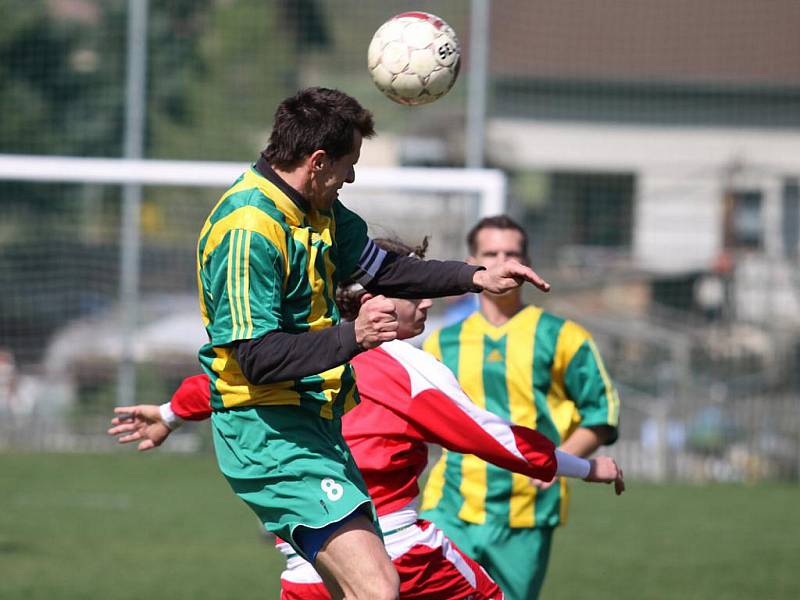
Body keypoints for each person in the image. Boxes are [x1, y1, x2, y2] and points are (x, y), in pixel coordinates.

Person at [111, 237, 624, 600]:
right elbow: (487, 437)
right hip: (403, 557)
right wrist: (582, 467)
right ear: (366, 298)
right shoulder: (402, 365)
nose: (426, 299)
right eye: (410, 290)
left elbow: (220, 385)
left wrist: (167, 414)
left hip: (308, 571)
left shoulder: (296, 350)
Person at [191, 88, 550, 600]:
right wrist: (353, 336)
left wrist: (477, 277)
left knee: (359, 592)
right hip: (267, 433)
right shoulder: (248, 228)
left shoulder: (318, 210)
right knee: (379, 590)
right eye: (348, 164)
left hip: (313, 427)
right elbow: (255, 358)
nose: (352, 177)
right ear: (318, 162)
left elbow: (389, 270)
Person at [420, 215, 621, 600]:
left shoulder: (563, 337)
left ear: (527, 261)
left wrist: (562, 460)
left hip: (527, 510)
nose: (502, 261)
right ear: (472, 262)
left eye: (511, 253)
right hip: (450, 506)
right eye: (490, 253)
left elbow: (603, 412)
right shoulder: (441, 343)